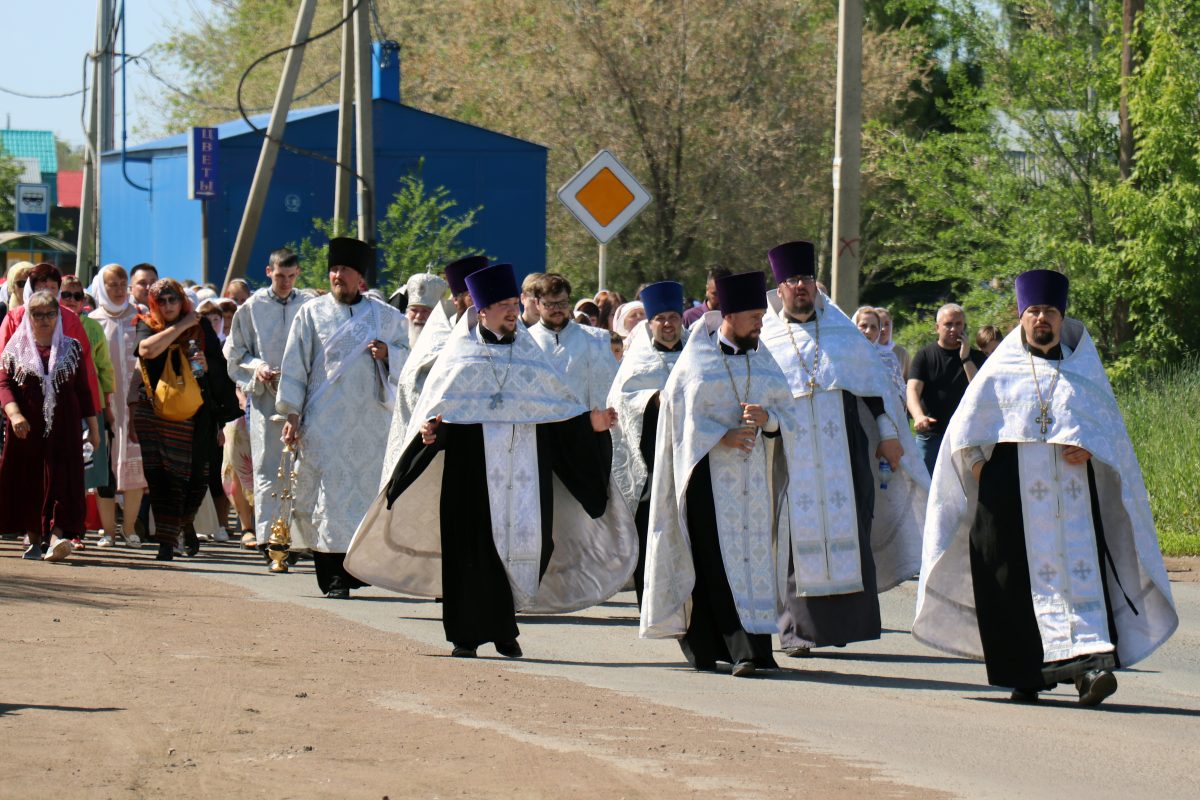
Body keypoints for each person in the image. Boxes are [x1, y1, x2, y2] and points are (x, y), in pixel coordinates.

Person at [914, 270, 1178, 705]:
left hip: (1073, 500)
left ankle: (1090, 669)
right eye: (1033, 311)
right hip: (1010, 502)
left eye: (1049, 312)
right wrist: (982, 468)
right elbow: (963, 435)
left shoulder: (1084, 371)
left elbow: (1110, 435)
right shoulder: (998, 372)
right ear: (1021, 317)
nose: (1041, 319)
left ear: (1061, 317)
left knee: (1081, 579)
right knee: (1011, 584)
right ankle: (1025, 675)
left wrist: (1090, 449)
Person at [346, 262, 634, 658]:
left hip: (525, 477)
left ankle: (504, 628)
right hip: (470, 475)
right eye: (502, 305)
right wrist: (432, 433)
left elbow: (554, 417)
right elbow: (441, 413)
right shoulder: (459, 356)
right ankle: (466, 636)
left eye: (514, 303)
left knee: (518, 548)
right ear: (481, 310)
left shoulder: (531, 356)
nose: (512, 311)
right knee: (471, 553)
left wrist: (591, 424)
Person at [761, 242, 926, 656]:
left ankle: (843, 623)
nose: (800, 287)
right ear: (779, 289)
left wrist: (889, 434)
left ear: (816, 285)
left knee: (850, 526)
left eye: (806, 280)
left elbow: (874, 392)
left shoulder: (842, 333)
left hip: (845, 449)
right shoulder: (767, 339)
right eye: (792, 281)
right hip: (789, 452)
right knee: (794, 537)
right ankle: (794, 629)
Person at [641, 271, 798, 677]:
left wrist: (769, 420)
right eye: (753, 317)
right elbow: (677, 422)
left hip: (755, 483)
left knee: (754, 561)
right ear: (728, 314)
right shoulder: (696, 362)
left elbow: (789, 417)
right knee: (715, 563)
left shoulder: (765, 360)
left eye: (763, 316)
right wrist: (720, 436)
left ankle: (757, 648)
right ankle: (729, 647)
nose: (760, 323)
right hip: (706, 482)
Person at [278, 237, 409, 598]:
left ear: (360, 278)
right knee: (328, 499)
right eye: (334, 270)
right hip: (324, 424)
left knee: (365, 498)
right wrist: (291, 413)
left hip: (371, 427)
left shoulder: (385, 317)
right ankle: (333, 577)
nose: (337, 276)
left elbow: (411, 360)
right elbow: (294, 366)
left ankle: (359, 569)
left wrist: (388, 356)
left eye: (345, 271)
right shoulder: (312, 312)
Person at [133, 279, 241, 560]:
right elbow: (146, 350)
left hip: (195, 413)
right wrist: (181, 326)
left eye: (173, 300)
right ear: (154, 304)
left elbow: (220, 367)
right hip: (155, 412)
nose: (168, 306)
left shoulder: (202, 325)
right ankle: (167, 542)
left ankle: (184, 525)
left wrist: (207, 364)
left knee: (194, 479)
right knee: (162, 479)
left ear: (182, 300)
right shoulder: (146, 323)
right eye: (162, 301)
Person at [225, 247, 312, 553]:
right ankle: (268, 537)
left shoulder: (310, 305)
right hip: (266, 399)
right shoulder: (251, 308)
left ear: (298, 274)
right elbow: (236, 352)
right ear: (268, 272)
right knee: (268, 466)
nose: (285, 282)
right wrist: (257, 366)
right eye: (279, 276)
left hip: (305, 398)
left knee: (304, 467)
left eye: (290, 276)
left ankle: (300, 538)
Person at [0, 291, 99, 561]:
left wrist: (94, 426)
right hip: (26, 427)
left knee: (63, 478)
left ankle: (57, 537)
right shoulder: (14, 348)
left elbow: (83, 390)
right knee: (30, 479)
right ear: (28, 317)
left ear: (58, 316)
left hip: (64, 425)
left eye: (50, 314)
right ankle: (33, 539)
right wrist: (15, 414)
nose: (44, 320)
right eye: (38, 314)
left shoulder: (72, 347)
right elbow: (4, 384)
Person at [607, 281, 687, 606]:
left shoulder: (698, 353)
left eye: (673, 317)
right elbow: (620, 400)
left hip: (688, 457)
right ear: (650, 323)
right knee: (650, 530)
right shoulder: (638, 358)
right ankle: (649, 601)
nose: (667, 324)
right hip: (650, 459)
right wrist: (652, 399)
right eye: (660, 319)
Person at [381, 255, 487, 485]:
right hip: (438, 436)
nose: (482, 303)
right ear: (458, 299)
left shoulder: (497, 332)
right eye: (475, 296)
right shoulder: (439, 335)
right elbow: (413, 385)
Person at [88, 264, 147, 548]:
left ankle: (130, 527)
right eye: (113, 283)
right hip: (103, 407)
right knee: (104, 471)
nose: (120, 287)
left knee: (136, 470)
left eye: (124, 282)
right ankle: (109, 531)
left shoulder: (141, 318)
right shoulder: (92, 322)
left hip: (136, 409)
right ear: (101, 286)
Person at [60, 274, 116, 548]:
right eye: (65, 294)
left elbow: (104, 369)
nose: (71, 300)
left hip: (91, 407)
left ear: (84, 300)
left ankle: (76, 531)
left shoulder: (92, 328)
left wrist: (107, 407)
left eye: (77, 295)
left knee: (88, 471)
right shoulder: (49, 322)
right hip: (58, 407)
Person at [906, 303, 986, 476]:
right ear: (937, 327)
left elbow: (980, 390)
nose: (953, 329)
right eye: (948, 324)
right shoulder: (925, 355)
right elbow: (912, 390)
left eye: (958, 324)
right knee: (925, 487)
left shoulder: (977, 357)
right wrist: (918, 416)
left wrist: (965, 358)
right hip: (932, 436)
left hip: (966, 436)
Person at [527, 273, 618, 411]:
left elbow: (611, 393)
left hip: (584, 427)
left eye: (562, 303)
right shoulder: (525, 341)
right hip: (539, 428)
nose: (557, 309)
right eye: (550, 305)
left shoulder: (596, 340)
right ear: (537, 304)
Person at [855, 305, 906, 405]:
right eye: (864, 326)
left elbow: (899, 396)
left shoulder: (888, 359)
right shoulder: (844, 357)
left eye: (873, 327)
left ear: (878, 332)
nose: (868, 331)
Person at [402, 270, 449, 346]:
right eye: (414, 310)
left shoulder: (446, 340)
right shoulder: (397, 335)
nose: (418, 316)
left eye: (425, 311)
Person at [875, 307, 910, 380]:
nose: (883, 329)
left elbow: (909, 381)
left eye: (887, 324)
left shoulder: (901, 353)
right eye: (879, 324)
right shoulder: (866, 351)